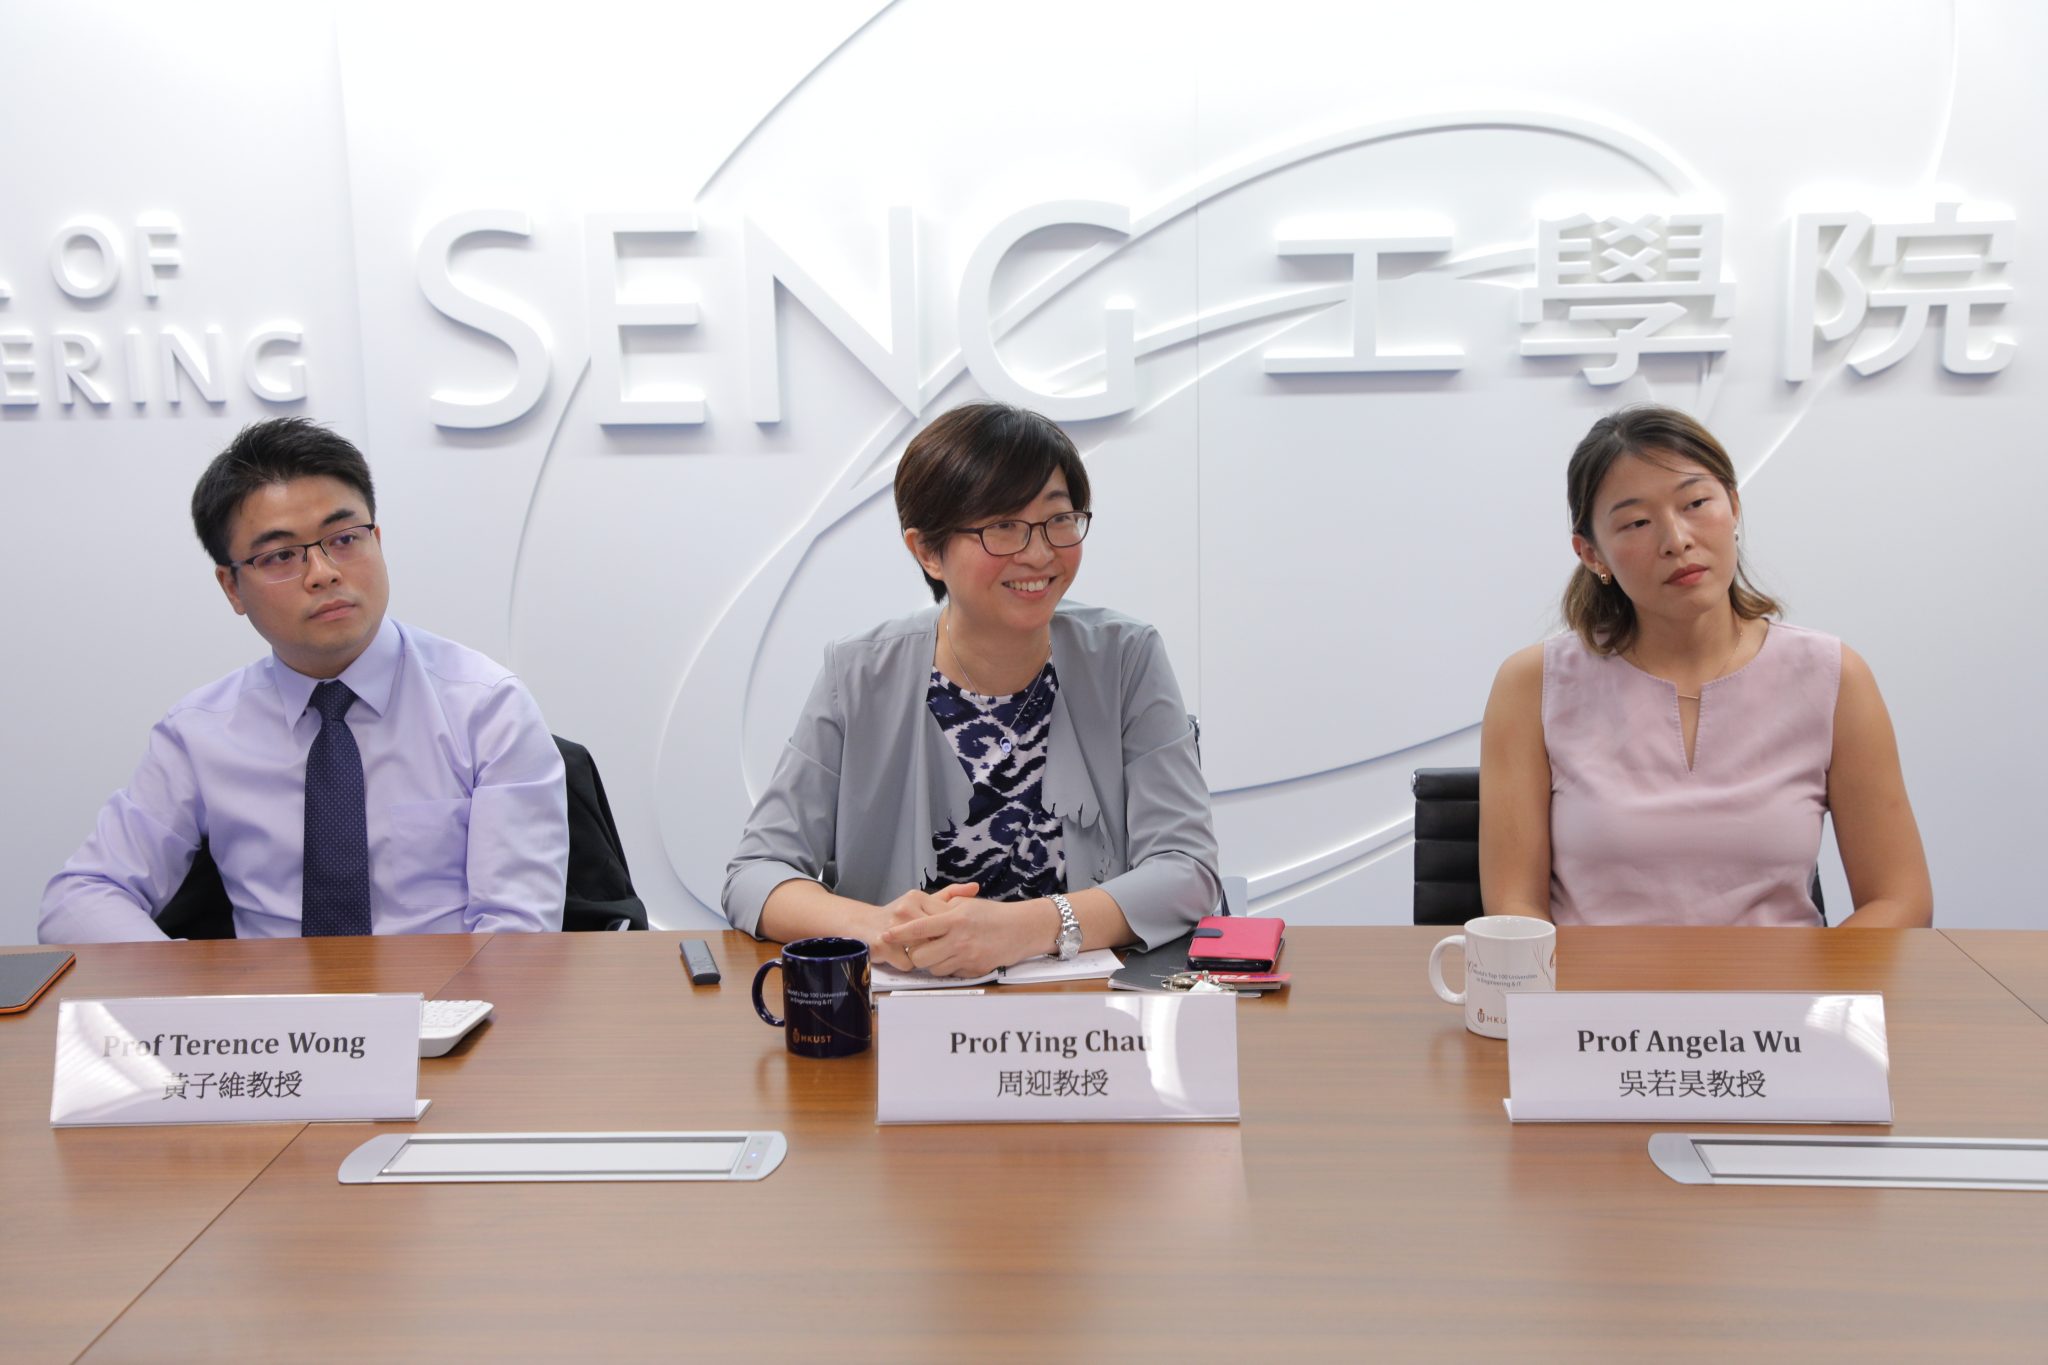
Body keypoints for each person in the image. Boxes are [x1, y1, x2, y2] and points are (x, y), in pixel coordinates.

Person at [723, 402, 1220, 977]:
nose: (1038, 552)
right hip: (908, 1016)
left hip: (1092, 1024)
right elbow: (756, 874)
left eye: (1059, 518)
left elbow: (1187, 869)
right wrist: (880, 928)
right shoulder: (859, 672)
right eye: (1002, 526)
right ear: (928, 551)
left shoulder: (1125, 657)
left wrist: (1029, 926)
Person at [39, 418, 568, 943]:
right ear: (232, 587)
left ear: (377, 541)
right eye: (282, 556)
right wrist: (192, 1000)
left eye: (344, 539)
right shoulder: (198, 733)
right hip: (268, 1021)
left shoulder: (485, 707)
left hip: (448, 1011)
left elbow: (518, 938)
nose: (323, 573)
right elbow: (80, 896)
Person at [1478, 404, 1932, 927]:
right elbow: (1515, 911)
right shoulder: (1533, 686)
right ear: (1591, 554)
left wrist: (1807, 993)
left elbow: (1900, 900)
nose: (1676, 540)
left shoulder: (1833, 677)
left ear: (1733, 506)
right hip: (1597, 1000)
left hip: (1780, 999)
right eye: (1637, 523)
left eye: (1696, 502)